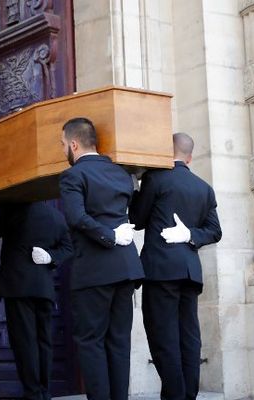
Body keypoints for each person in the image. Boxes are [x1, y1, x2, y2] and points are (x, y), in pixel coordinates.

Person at [129, 132, 222, 400]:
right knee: (188, 339)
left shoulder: (155, 178)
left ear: (165, 150)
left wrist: (135, 187)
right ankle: (187, 395)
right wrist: (191, 234)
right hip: (190, 272)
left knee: (163, 339)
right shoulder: (203, 187)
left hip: (161, 270)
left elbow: (137, 218)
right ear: (190, 157)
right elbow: (214, 231)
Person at [59, 117, 145, 400]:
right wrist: (115, 234)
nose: (62, 151)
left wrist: (108, 235)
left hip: (94, 270)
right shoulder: (120, 173)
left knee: (90, 341)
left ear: (73, 144)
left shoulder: (73, 176)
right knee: (119, 342)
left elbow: (76, 218)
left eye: (62, 145)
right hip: (125, 267)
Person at [0, 202, 73, 400]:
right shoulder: (55, 215)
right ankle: (44, 391)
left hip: (18, 286)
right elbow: (68, 247)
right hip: (43, 287)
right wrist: (51, 257)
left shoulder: (12, 208)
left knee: (25, 341)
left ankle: (33, 392)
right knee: (44, 341)